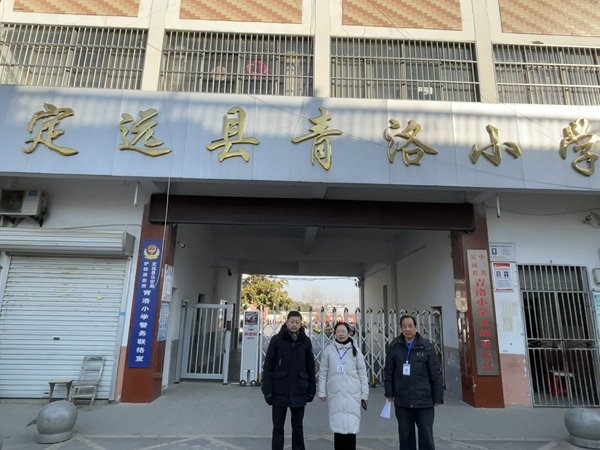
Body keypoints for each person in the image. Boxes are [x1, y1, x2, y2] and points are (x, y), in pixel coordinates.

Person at [384, 314, 443, 450]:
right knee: (405, 437)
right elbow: (388, 372)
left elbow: (435, 373)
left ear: (416, 327)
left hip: (424, 401)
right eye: (404, 326)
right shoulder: (394, 346)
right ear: (401, 328)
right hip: (403, 401)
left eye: (410, 326)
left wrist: (438, 397)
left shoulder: (426, 346)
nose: (407, 329)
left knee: (426, 437)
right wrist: (389, 393)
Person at [262, 311, 316, 450]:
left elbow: (311, 367)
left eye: (297, 322)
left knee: (298, 427)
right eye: (292, 321)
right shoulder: (276, 340)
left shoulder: (305, 342)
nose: (294, 325)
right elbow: (268, 367)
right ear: (286, 322)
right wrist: (267, 390)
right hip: (279, 391)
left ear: (301, 323)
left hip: (299, 390)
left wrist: (311, 389)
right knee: (278, 427)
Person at [318, 322, 369, 450]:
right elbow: (323, 373)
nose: (341, 334)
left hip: (353, 395)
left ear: (348, 333)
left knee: (351, 428)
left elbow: (363, 375)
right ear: (334, 333)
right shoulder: (329, 351)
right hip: (335, 395)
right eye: (338, 331)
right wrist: (322, 392)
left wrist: (365, 395)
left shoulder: (356, 351)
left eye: (343, 331)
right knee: (338, 428)